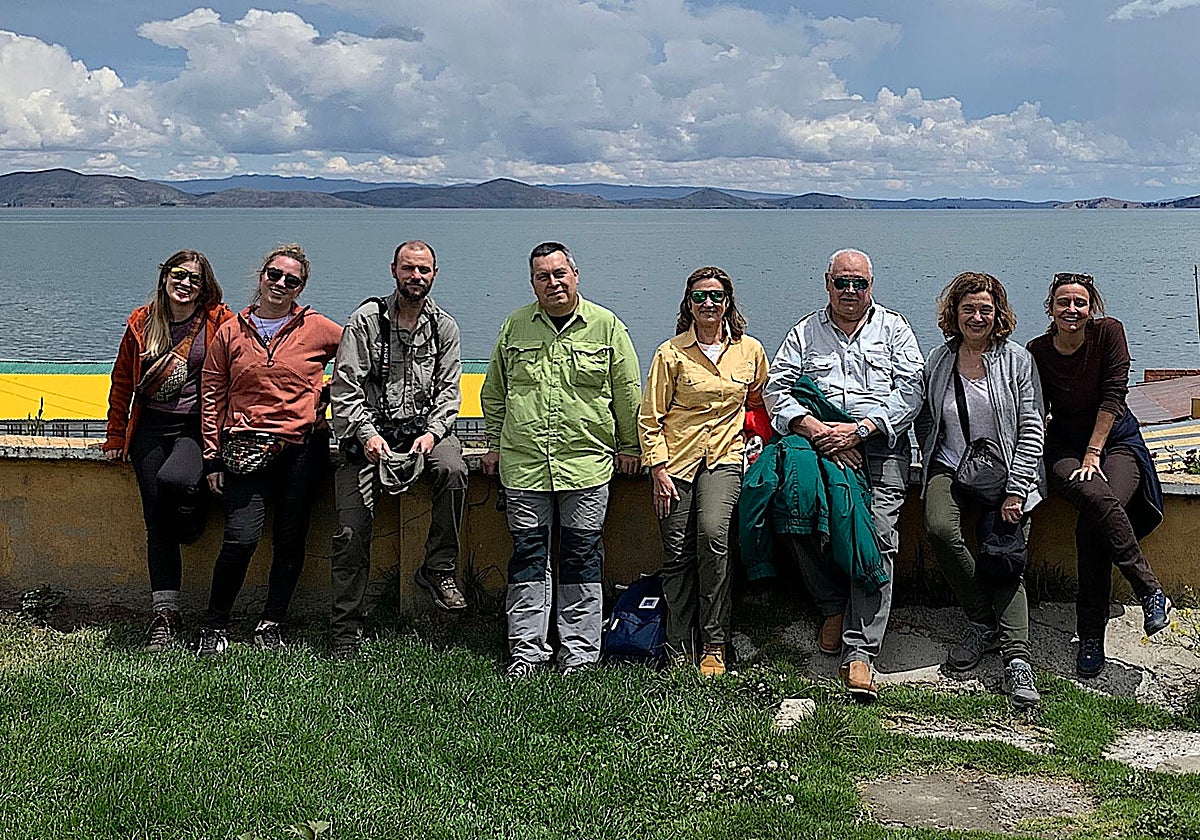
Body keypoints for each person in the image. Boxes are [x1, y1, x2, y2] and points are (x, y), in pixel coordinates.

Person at [763, 247, 923, 701]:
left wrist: (860, 430)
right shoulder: (804, 332)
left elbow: (912, 391)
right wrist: (817, 430)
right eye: (842, 282)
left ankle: (860, 651)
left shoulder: (894, 329)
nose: (850, 291)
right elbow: (776, 389)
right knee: (794, 512)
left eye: (859, 283)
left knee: (878, 536)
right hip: (820, 445)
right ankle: (833, 605)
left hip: (879, 446)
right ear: (827, 283)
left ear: (871, 285)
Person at [480, 242, 642, 677]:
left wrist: (630, 446)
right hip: (524, 466)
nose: (552, 283)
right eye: (542, 276)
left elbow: (628, 393)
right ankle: (526, 653)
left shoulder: (607, 327)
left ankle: (580, 655)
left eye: (559, 274)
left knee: (581, 558)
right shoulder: (515, 327)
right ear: (532, 283)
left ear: (575, 275)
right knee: (528, 558)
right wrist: (493, 444)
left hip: (587, 466)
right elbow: (494, 392)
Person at [197, 244, 342, 656]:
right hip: (244, 450)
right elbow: (212, 393)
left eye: (291, 280)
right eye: (274, 275)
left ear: (301, 288)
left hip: (302, 450)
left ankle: (271, 622)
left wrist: (327, 390)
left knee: (290, 539)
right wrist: (211, 455)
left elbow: (360, 357)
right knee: (240, 538)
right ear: (261, 276)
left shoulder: (317, 327)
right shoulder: (231, 330)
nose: (280, 284)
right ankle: (215, 624)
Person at [328, 240, 468, 660]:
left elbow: (449, 393)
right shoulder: (366, 321)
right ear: (393, 271)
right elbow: (345, 388)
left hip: (422, 431)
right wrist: (368, 435)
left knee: (454, 470)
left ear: (435, 274)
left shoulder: (445, 327)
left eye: (423, 269)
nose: (416, 277)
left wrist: (432, 435)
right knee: (351, 532)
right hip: (368, 437)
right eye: (408, 268)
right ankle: (345, 628)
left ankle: (438, 568)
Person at [1026, 272, 1171, 678]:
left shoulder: (1109, 334)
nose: (1072, 309)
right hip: (1063, 449)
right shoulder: (1037, 351)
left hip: (1118, 442)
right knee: (1095, 500)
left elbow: (1113, 395)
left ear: (1092, 309)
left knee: (1093, 520)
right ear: (1050, 308)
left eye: (1080, 303)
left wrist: (1094, 452)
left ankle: (1090, 633)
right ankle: (1149, 590)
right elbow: (1031, 408)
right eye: (1063, 302)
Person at [918, 272, 1045, 708]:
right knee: (939, 528)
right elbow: (926, 417)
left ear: (998, 314)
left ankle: (1017, 659)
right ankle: (982, 620)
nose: (976, 317)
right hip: (950, 464)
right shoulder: (939, 360)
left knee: (1003, 557)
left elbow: (1032, 425)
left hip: (1007, 471)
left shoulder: (1017, 360)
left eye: (985, 310)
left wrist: (1017, 488)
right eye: (968, 309)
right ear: (954, 313)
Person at [638, 267, 768, 677]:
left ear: (728, 303)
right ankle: (678, 645)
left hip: (725, 457)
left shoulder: (750, 350)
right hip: (675, 461)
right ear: (688, 304)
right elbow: (650, 417)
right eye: (700, 297)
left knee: (713, 537)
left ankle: (714, 642)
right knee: (677, 552)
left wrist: (754, 439)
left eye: (716, 296)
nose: (708, 303)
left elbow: (758, 402)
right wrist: (657, 470)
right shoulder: (670, 353)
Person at [103, 250, 233, 650]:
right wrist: (115, 435)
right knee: (156, 522)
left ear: (204, 286)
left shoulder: (218, 321)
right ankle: (165, 614)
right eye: (178, 274)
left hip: (196, 425)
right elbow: (122, 381)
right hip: (150, 427)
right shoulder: (142, 322)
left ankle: (193, 524)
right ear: (164, 278)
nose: (185, 283)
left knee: (177, 480)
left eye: (194, 278)